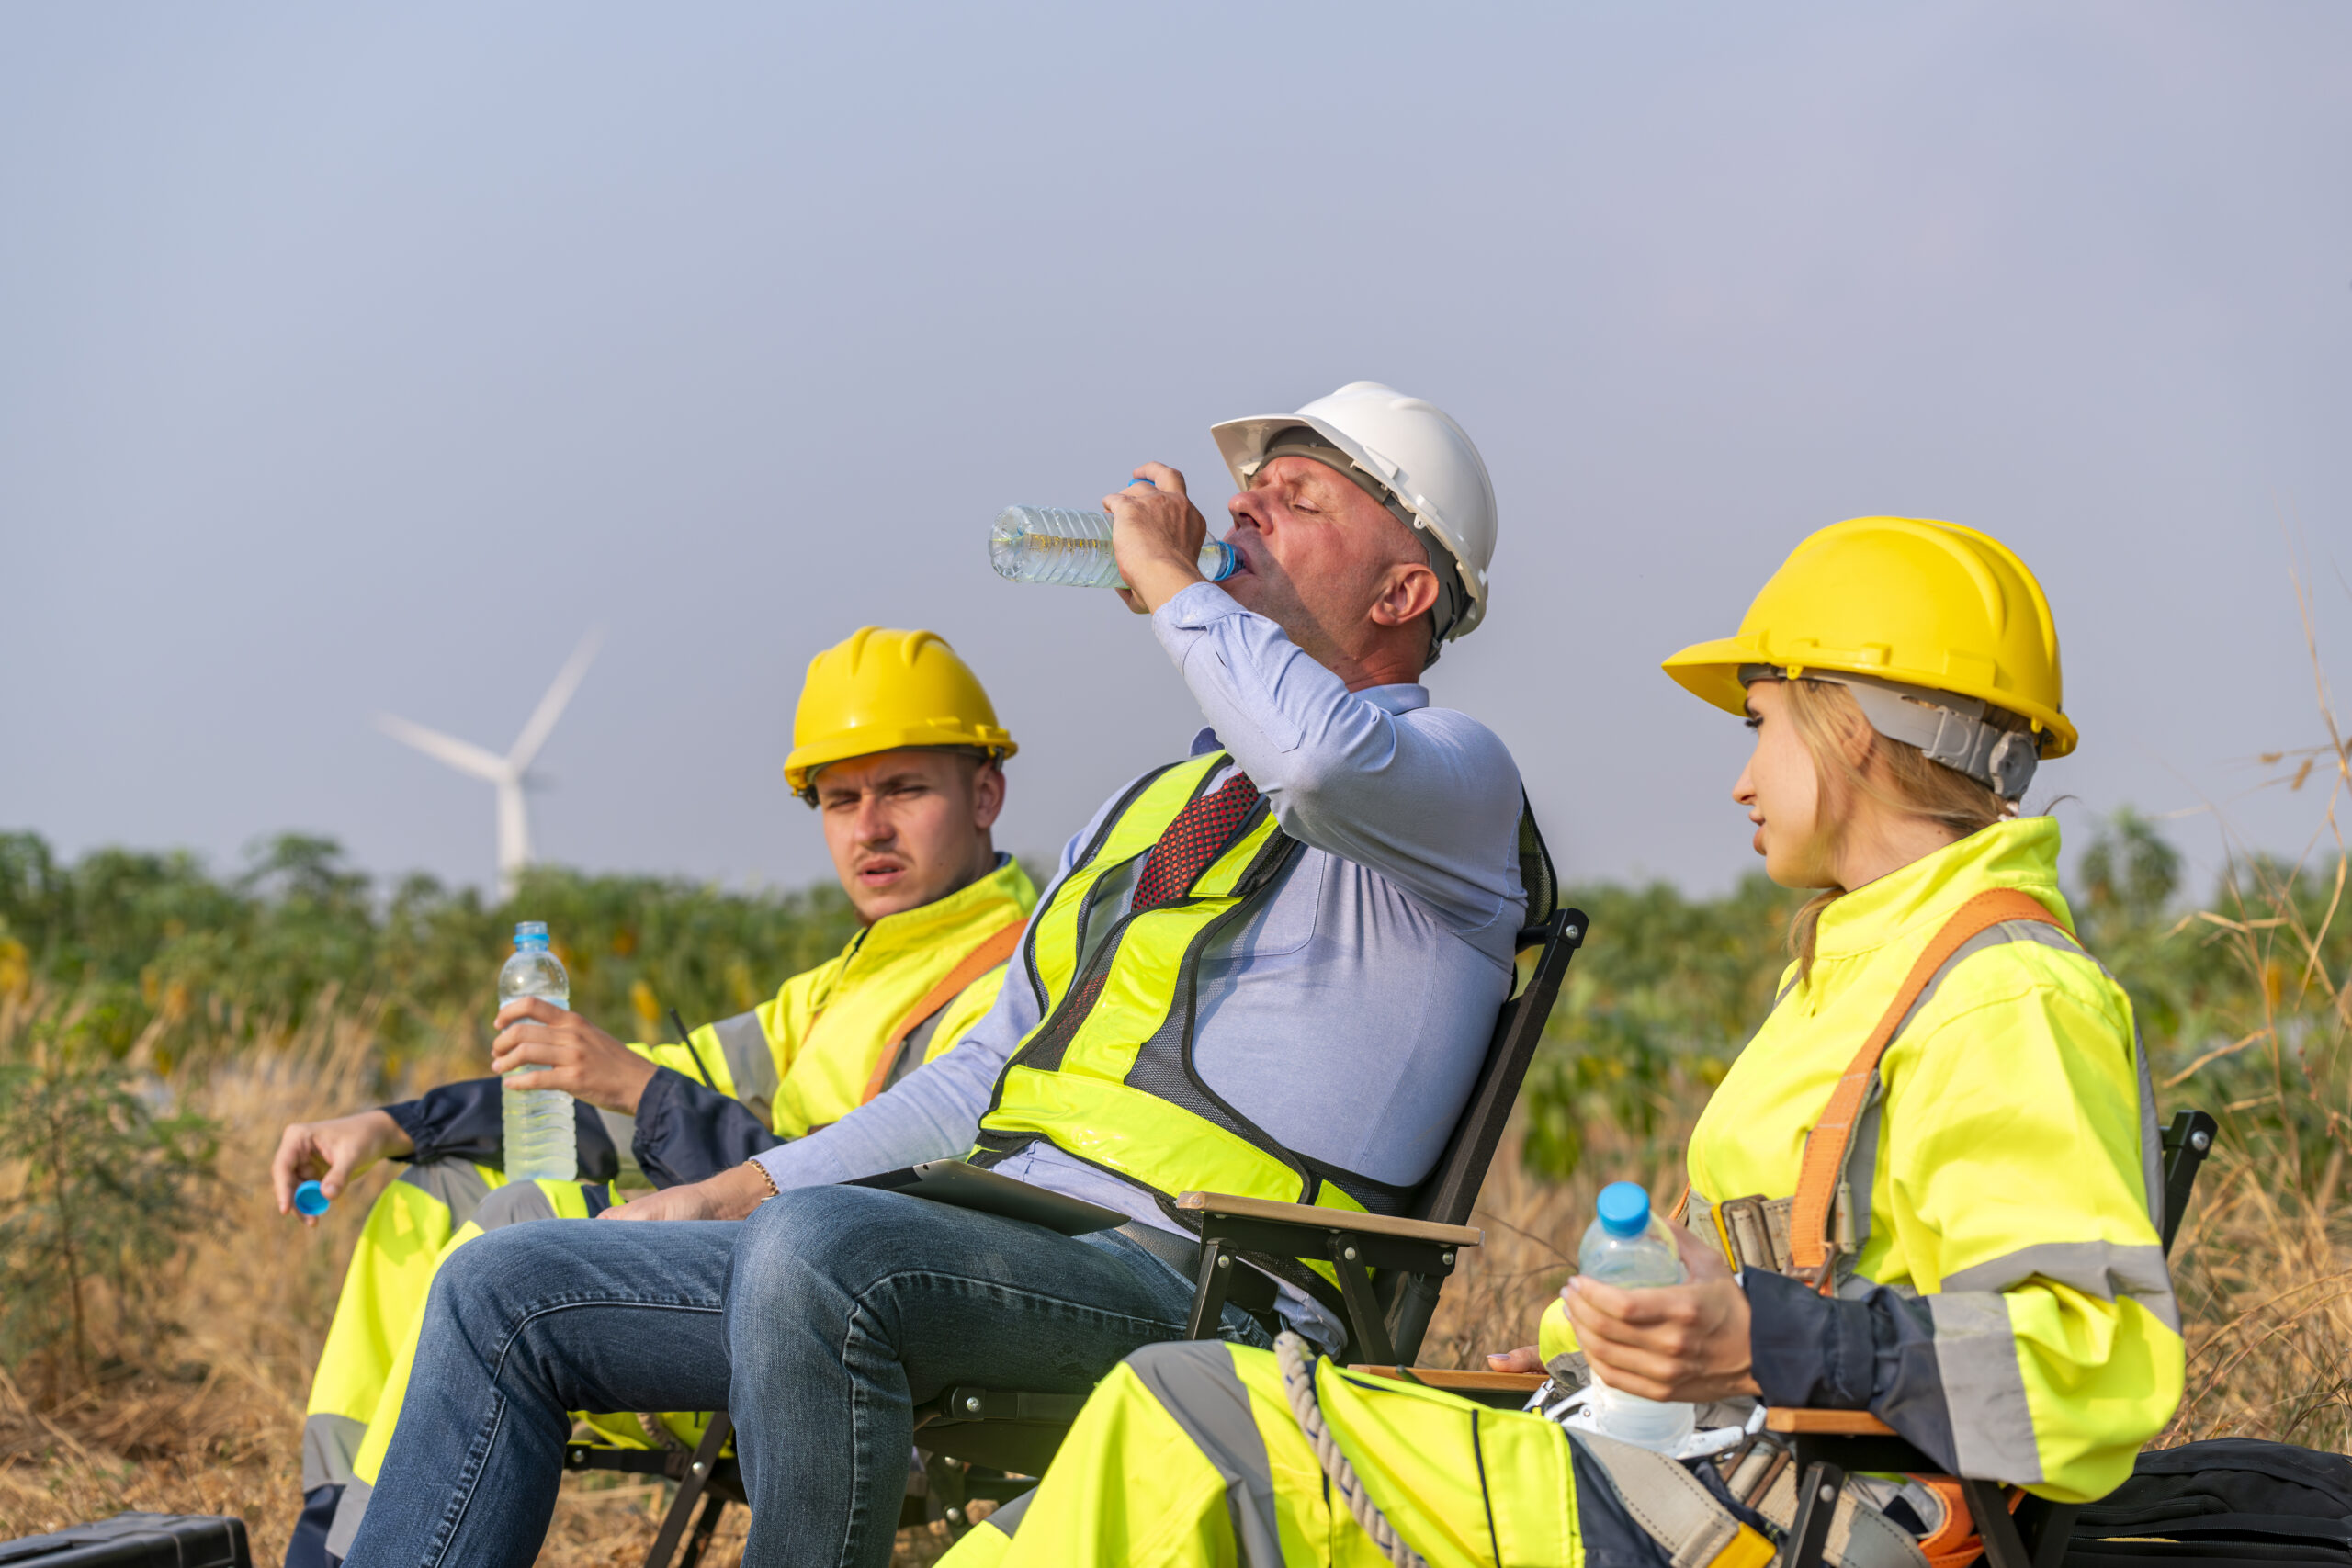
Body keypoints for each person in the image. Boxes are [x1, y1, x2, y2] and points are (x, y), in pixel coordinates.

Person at [336, 381, 1535, 1568]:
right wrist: (736, 1184)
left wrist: (1172, 583)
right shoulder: (1155, 804)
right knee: (506, 1279)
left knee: (820, 1253)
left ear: (1403, 589)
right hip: (982, 1237)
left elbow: (1321, 760)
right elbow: (982, 1070)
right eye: (1247, 492)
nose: (1242, 511)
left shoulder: (1455, 782)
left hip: (1207, 1285)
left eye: (1295, 499)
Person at [943, 515, 2185, 1568]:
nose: (1744, 781)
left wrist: (1765, 1334)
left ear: (1856, 723)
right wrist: (1567, 1344)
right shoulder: (1859, 969)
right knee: (1098, 1469)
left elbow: (2096, 1371)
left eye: (1761, 724)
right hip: (1689, 1476)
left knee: (1190, 1414)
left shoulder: (2004, 996)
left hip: (1785, 1517)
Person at [272, 626, 1035, 1568]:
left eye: (903, 790)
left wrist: (646, 1087)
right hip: (733, 1271)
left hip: (823, 1322)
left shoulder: (1015, 982)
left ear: (985, 792)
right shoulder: (840, 985)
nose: (868, 828)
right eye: (840, 800)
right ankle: (336, 1548)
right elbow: (607, 1087)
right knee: (429, 1196)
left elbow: (880, 1205)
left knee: (525, 1223)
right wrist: (395, 1124)